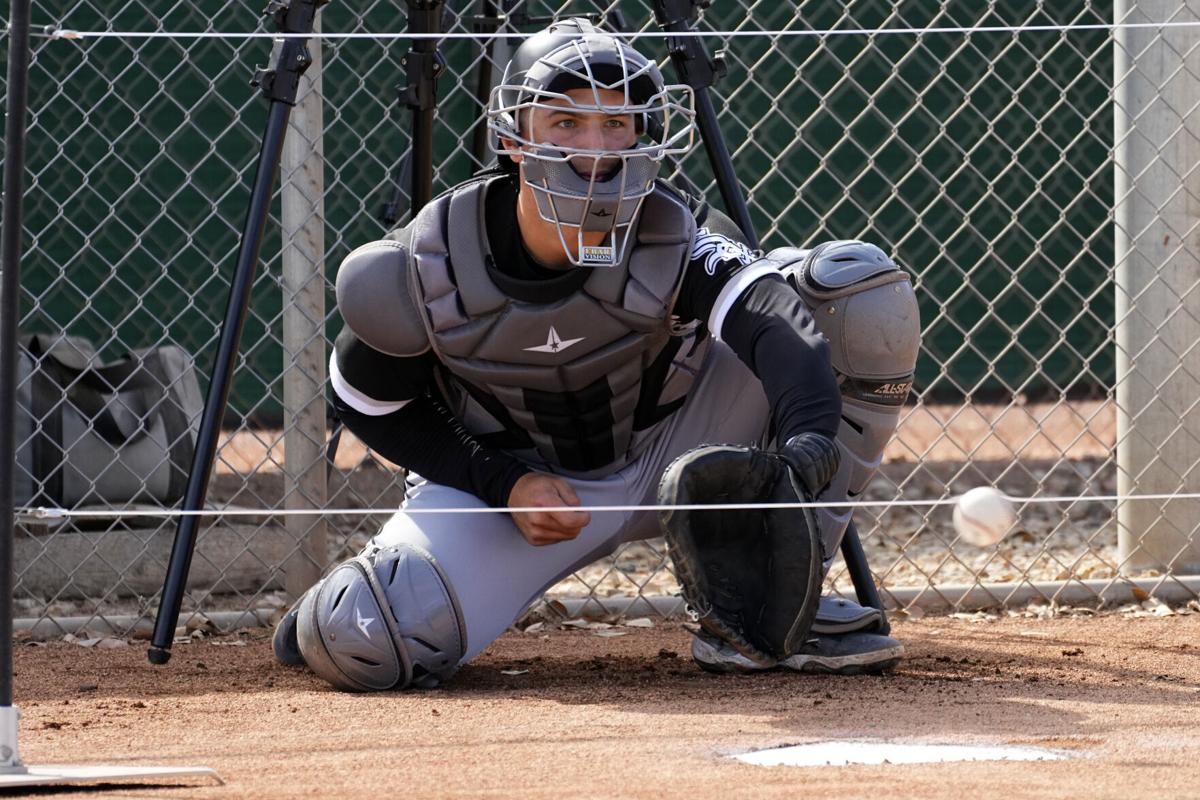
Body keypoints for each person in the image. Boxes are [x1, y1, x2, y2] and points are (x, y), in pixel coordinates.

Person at [272, 19, 921, 691]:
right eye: (565, 122)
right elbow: (369, 406)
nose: (597, 149)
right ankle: (330, 603)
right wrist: (502, 483)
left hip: (674, 448)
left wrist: (809, 443)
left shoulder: (673, 230)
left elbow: (775, 325)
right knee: (364, 640)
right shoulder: (431, 262)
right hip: (512, 493)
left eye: (619, 124)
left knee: (859, 295)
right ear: (511, 138)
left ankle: (775, 606)